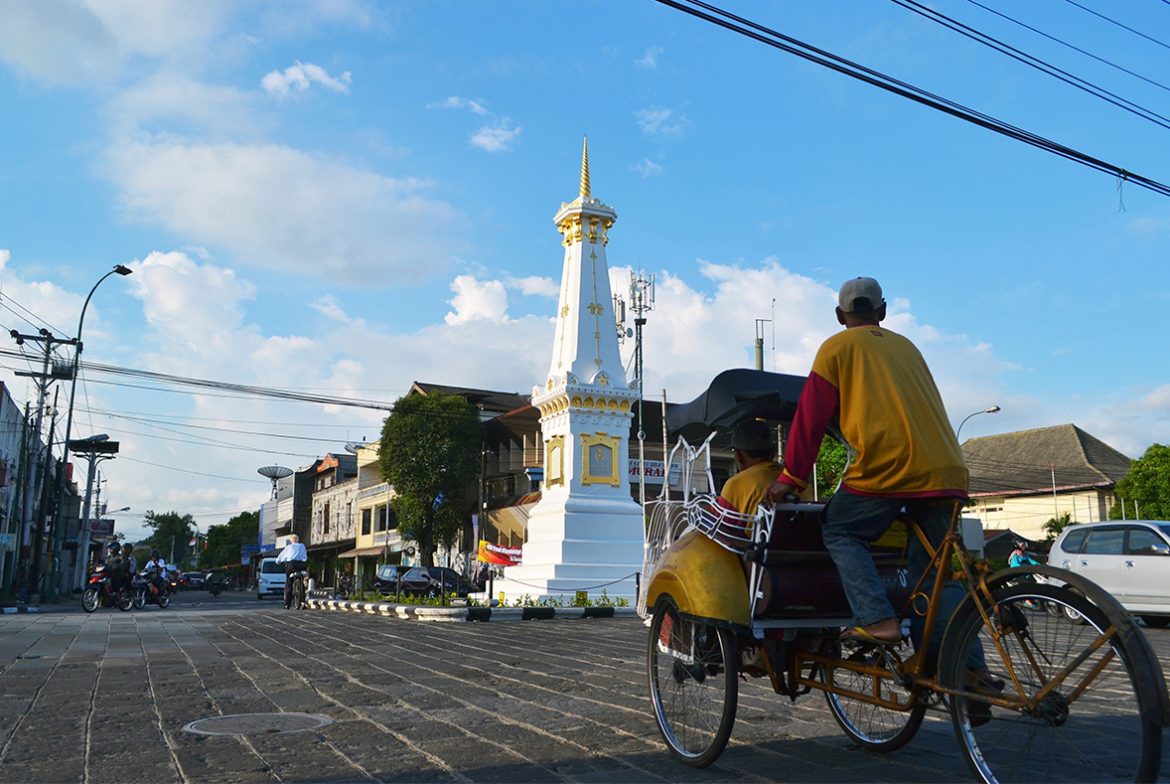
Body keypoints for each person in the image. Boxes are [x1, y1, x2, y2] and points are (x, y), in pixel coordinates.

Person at [765, 277, 997, 711]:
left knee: (840, 528)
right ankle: (965, 670)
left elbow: (811, 421)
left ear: (840, 316)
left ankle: (878, 619)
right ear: (883, 312)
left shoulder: (836, 348)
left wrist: (791, 478)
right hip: (946, 467)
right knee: (937, 574)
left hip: (888, 467)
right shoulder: (908, 347)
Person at [276, 534, 308, 609]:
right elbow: (305, 556)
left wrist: (278, 562)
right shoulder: (302, 546)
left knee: (289, 583)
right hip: (301, 565)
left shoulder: (288, 547)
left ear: (291, 541)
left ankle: (287, 604)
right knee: (301, 581)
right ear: (298, 540)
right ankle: (303, 602)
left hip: (291, 565)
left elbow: (279, 558)